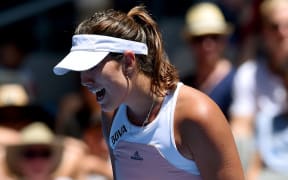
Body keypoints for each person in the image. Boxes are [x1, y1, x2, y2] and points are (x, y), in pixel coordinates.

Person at [53, 5, 244, 180]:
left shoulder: (198, 114)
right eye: (81, 70)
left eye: (93, 66)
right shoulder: (111, 113)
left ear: (129, 62)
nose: (85, 80)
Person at [229, 0, 288, 174]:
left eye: (287, 25)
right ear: (264, 33)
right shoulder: (249, 74)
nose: (282, 33)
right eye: (275, 26)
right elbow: (241, 127)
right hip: (267, 165)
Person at [181, 2, 236, 120]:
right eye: (199, 39)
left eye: (214, 37)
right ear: (190, 43)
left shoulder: (239, 81)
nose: (207, 45)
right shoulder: (183, 85)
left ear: (224, 40)